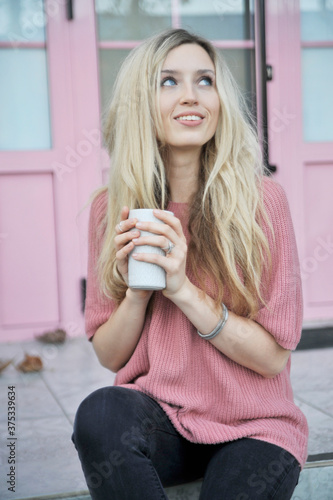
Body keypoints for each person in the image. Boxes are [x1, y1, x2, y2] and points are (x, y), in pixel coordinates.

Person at [72, 28, 308, 499]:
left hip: (254, 426)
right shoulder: (113, 208)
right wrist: (138, 292)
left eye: (205, 80)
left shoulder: (262, 203)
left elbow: (272, 356)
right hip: (161, 421)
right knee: (99, 412)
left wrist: (181, 288)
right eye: (168, 82)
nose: (192, 97)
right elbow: (111, 356)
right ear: (142, 100)